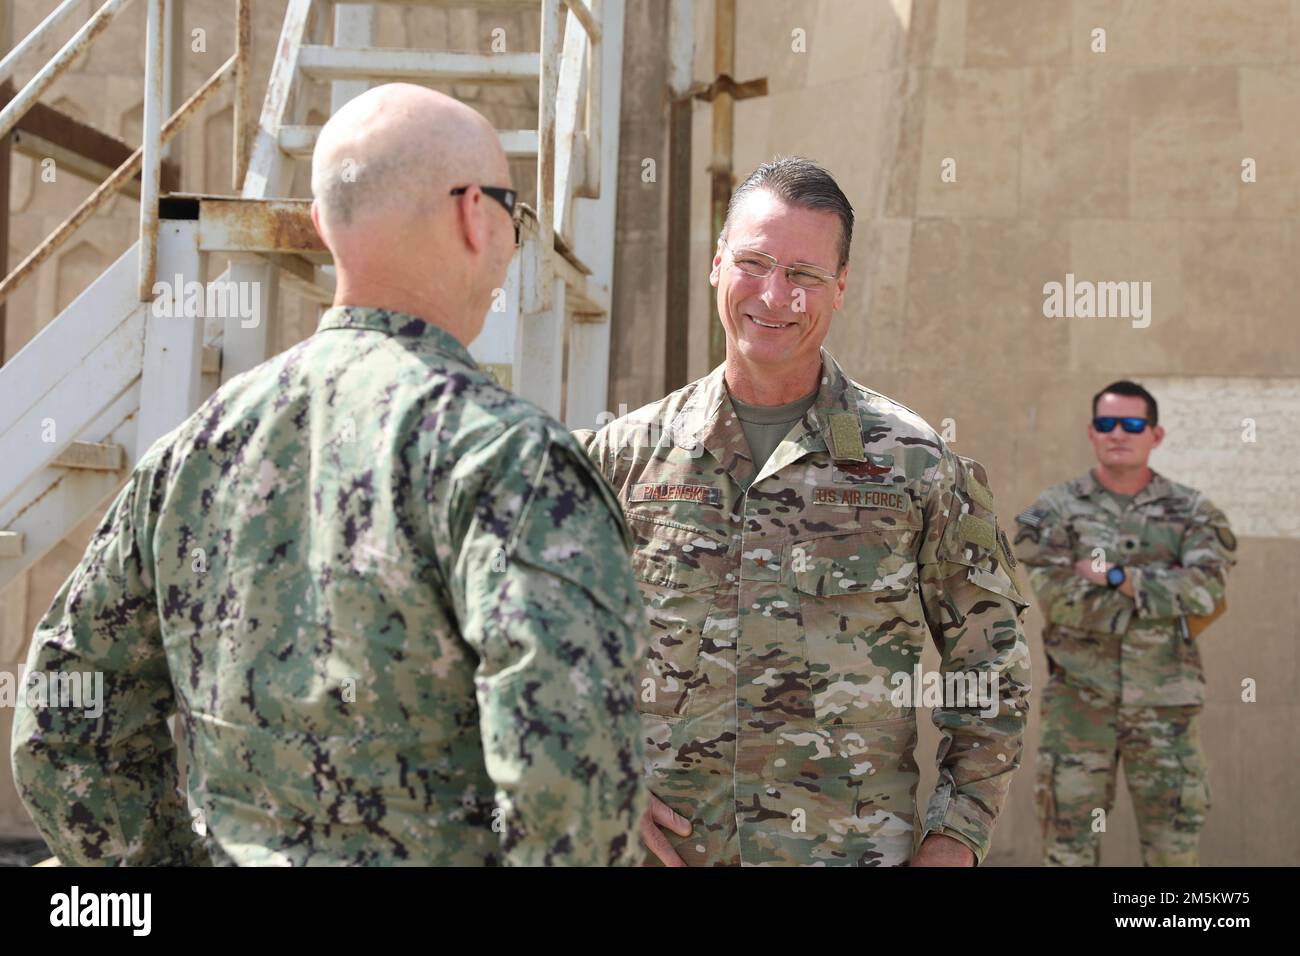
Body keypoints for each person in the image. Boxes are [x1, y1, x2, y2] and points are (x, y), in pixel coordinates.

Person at [11, 83, 646, 866]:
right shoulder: (508, 459)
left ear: (319, 225)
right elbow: (574, 791)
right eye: (512, 218)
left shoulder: (190, 453)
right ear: (474, 215)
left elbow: (65, 716)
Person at [579, 157, 1031, 866]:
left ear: (840, 287)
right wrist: (598, 775)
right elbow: (542, 637)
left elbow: (989, 664)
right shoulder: (624, 456)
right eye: (753, 264)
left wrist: (956, 838)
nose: (773, 294)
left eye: (804, 275)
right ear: (716, 265)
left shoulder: (915, 465)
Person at [1014, 380, 1235, 866]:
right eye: (1107, 424)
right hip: (1078, 711)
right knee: (1068, 848)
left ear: (1155, 435)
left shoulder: (1193, 512)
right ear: (1092, 432)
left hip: (1166, 711)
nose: (1119, 433)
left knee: (1172, 852)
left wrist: (1116, 576)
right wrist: (1160, 596)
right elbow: (1059, 599)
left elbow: (1207, 591)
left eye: (1132, 424)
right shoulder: (1053, 510)